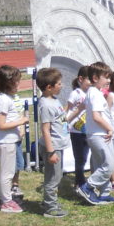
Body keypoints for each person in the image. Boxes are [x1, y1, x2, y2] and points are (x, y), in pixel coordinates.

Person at [0, 65, 29, 213]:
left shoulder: (7, 98)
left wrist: (18, 131)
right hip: (5, 142)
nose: (19, 84)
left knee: (9, 171)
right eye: (16, 82)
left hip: (10, 140)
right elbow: (1, 124)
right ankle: (6, 202)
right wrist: (21, 121)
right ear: (8, 83)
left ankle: (8, 199)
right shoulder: (3, 100)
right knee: (7, 173)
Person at [80, 62, 114, 205]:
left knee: (100, 164)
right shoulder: (94, 93)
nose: (108, 81)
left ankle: (104, 193)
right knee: (108, 164)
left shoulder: (96, 92)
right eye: (106, 77)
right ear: (95, 78)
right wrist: (109, 128)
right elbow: (96, 116)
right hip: (98, 134)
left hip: (99, 134)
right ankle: (87, 187)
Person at [36, 67, 70, 218]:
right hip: (53, 147)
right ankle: (50, 207)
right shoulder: (46, 105)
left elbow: (62, 118)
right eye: (59, 84)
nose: (61, 86)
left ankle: (50, 201)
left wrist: (73, 108)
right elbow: (45, 130)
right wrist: (51, 152)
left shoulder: (54, 100)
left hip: (58, 145)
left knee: (57, 176)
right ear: (49, 87)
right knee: (53, 178)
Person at [64, 66, 91, 192]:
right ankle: (79, 182)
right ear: (81, 79)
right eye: (90, 79)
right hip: (77, 131)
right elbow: (68, 108)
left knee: (87, 157)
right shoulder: (75, 94)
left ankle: (82, 180)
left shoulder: (93, 93)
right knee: (80, 158)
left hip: (90, 130)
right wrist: (63, 120)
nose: (92, 82)